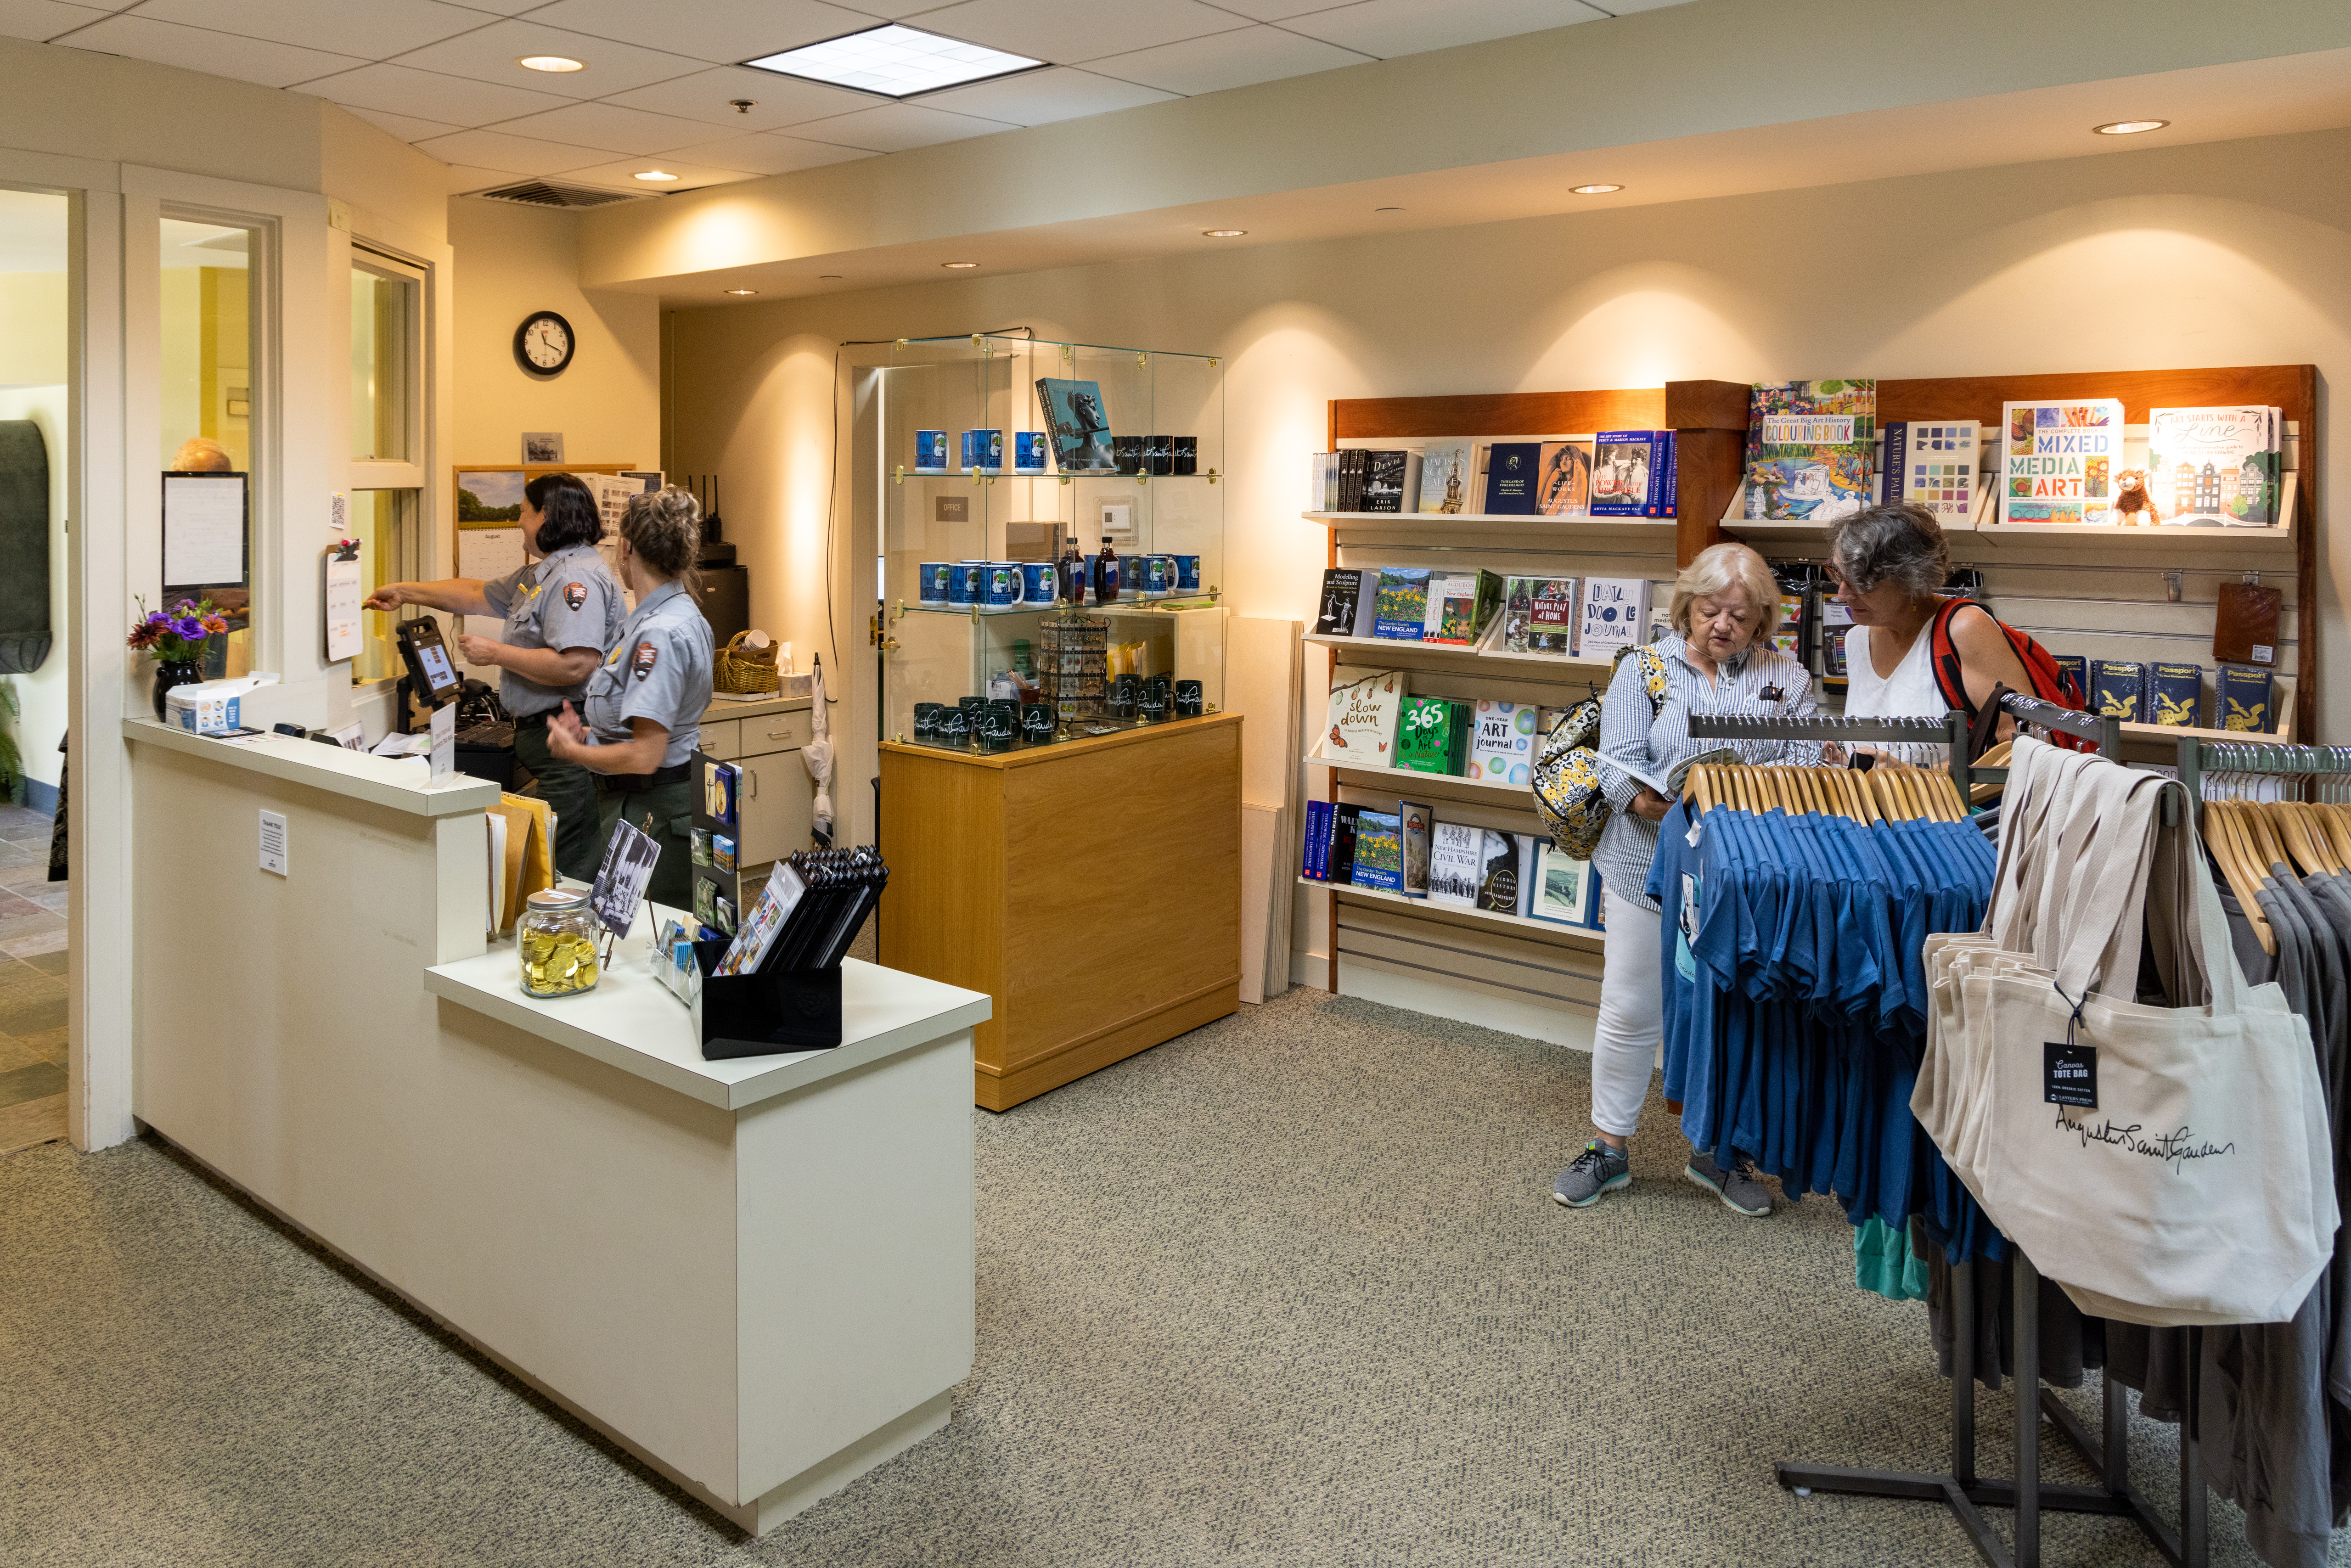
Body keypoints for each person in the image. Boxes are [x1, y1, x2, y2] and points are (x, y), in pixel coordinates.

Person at [1552, 542, 1823, 1219]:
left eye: (1740, 615)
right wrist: (1647, 800)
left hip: (1741, 871)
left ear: (1762, 621)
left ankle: (1717, 1150)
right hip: (1646, 863)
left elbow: (1805, 757)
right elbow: (1612, 763)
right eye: (1711, 610)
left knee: (1728, 1011)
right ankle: (1608, 1147)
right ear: (1687, 607)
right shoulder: (1644, 668)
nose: (1723, 626)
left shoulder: (1786, 677)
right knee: (1632, 1006)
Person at [364, 473, 620, 881]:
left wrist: (495, 653)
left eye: (523, 511)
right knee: (549, 865)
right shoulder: (544, 574)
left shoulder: (576, 579)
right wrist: (404, 592)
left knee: (567, 871)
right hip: (544, 742)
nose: (518, 521)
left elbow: (576, 664)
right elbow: (475, 593)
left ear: (545, 515)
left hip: (568, 746)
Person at [547, 486, 713, 913]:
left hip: (653, 812)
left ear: (625, 548)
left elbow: (645, 754)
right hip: (647, 807)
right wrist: (588, 734)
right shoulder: (673, 614)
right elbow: (640, 723)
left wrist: (576, 750)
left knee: (649, 938)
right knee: (630, 932)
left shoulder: (659, 633)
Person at [1826, 502, 2036, 763]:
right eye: (1839, 575)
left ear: (1910, 577)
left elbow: (2024, 744)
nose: (1842, 594)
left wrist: (1910, 778)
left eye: (1861, 582)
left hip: (1953, 803)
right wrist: (1850, 763)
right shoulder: (1857, 638)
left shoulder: (1964, 627)